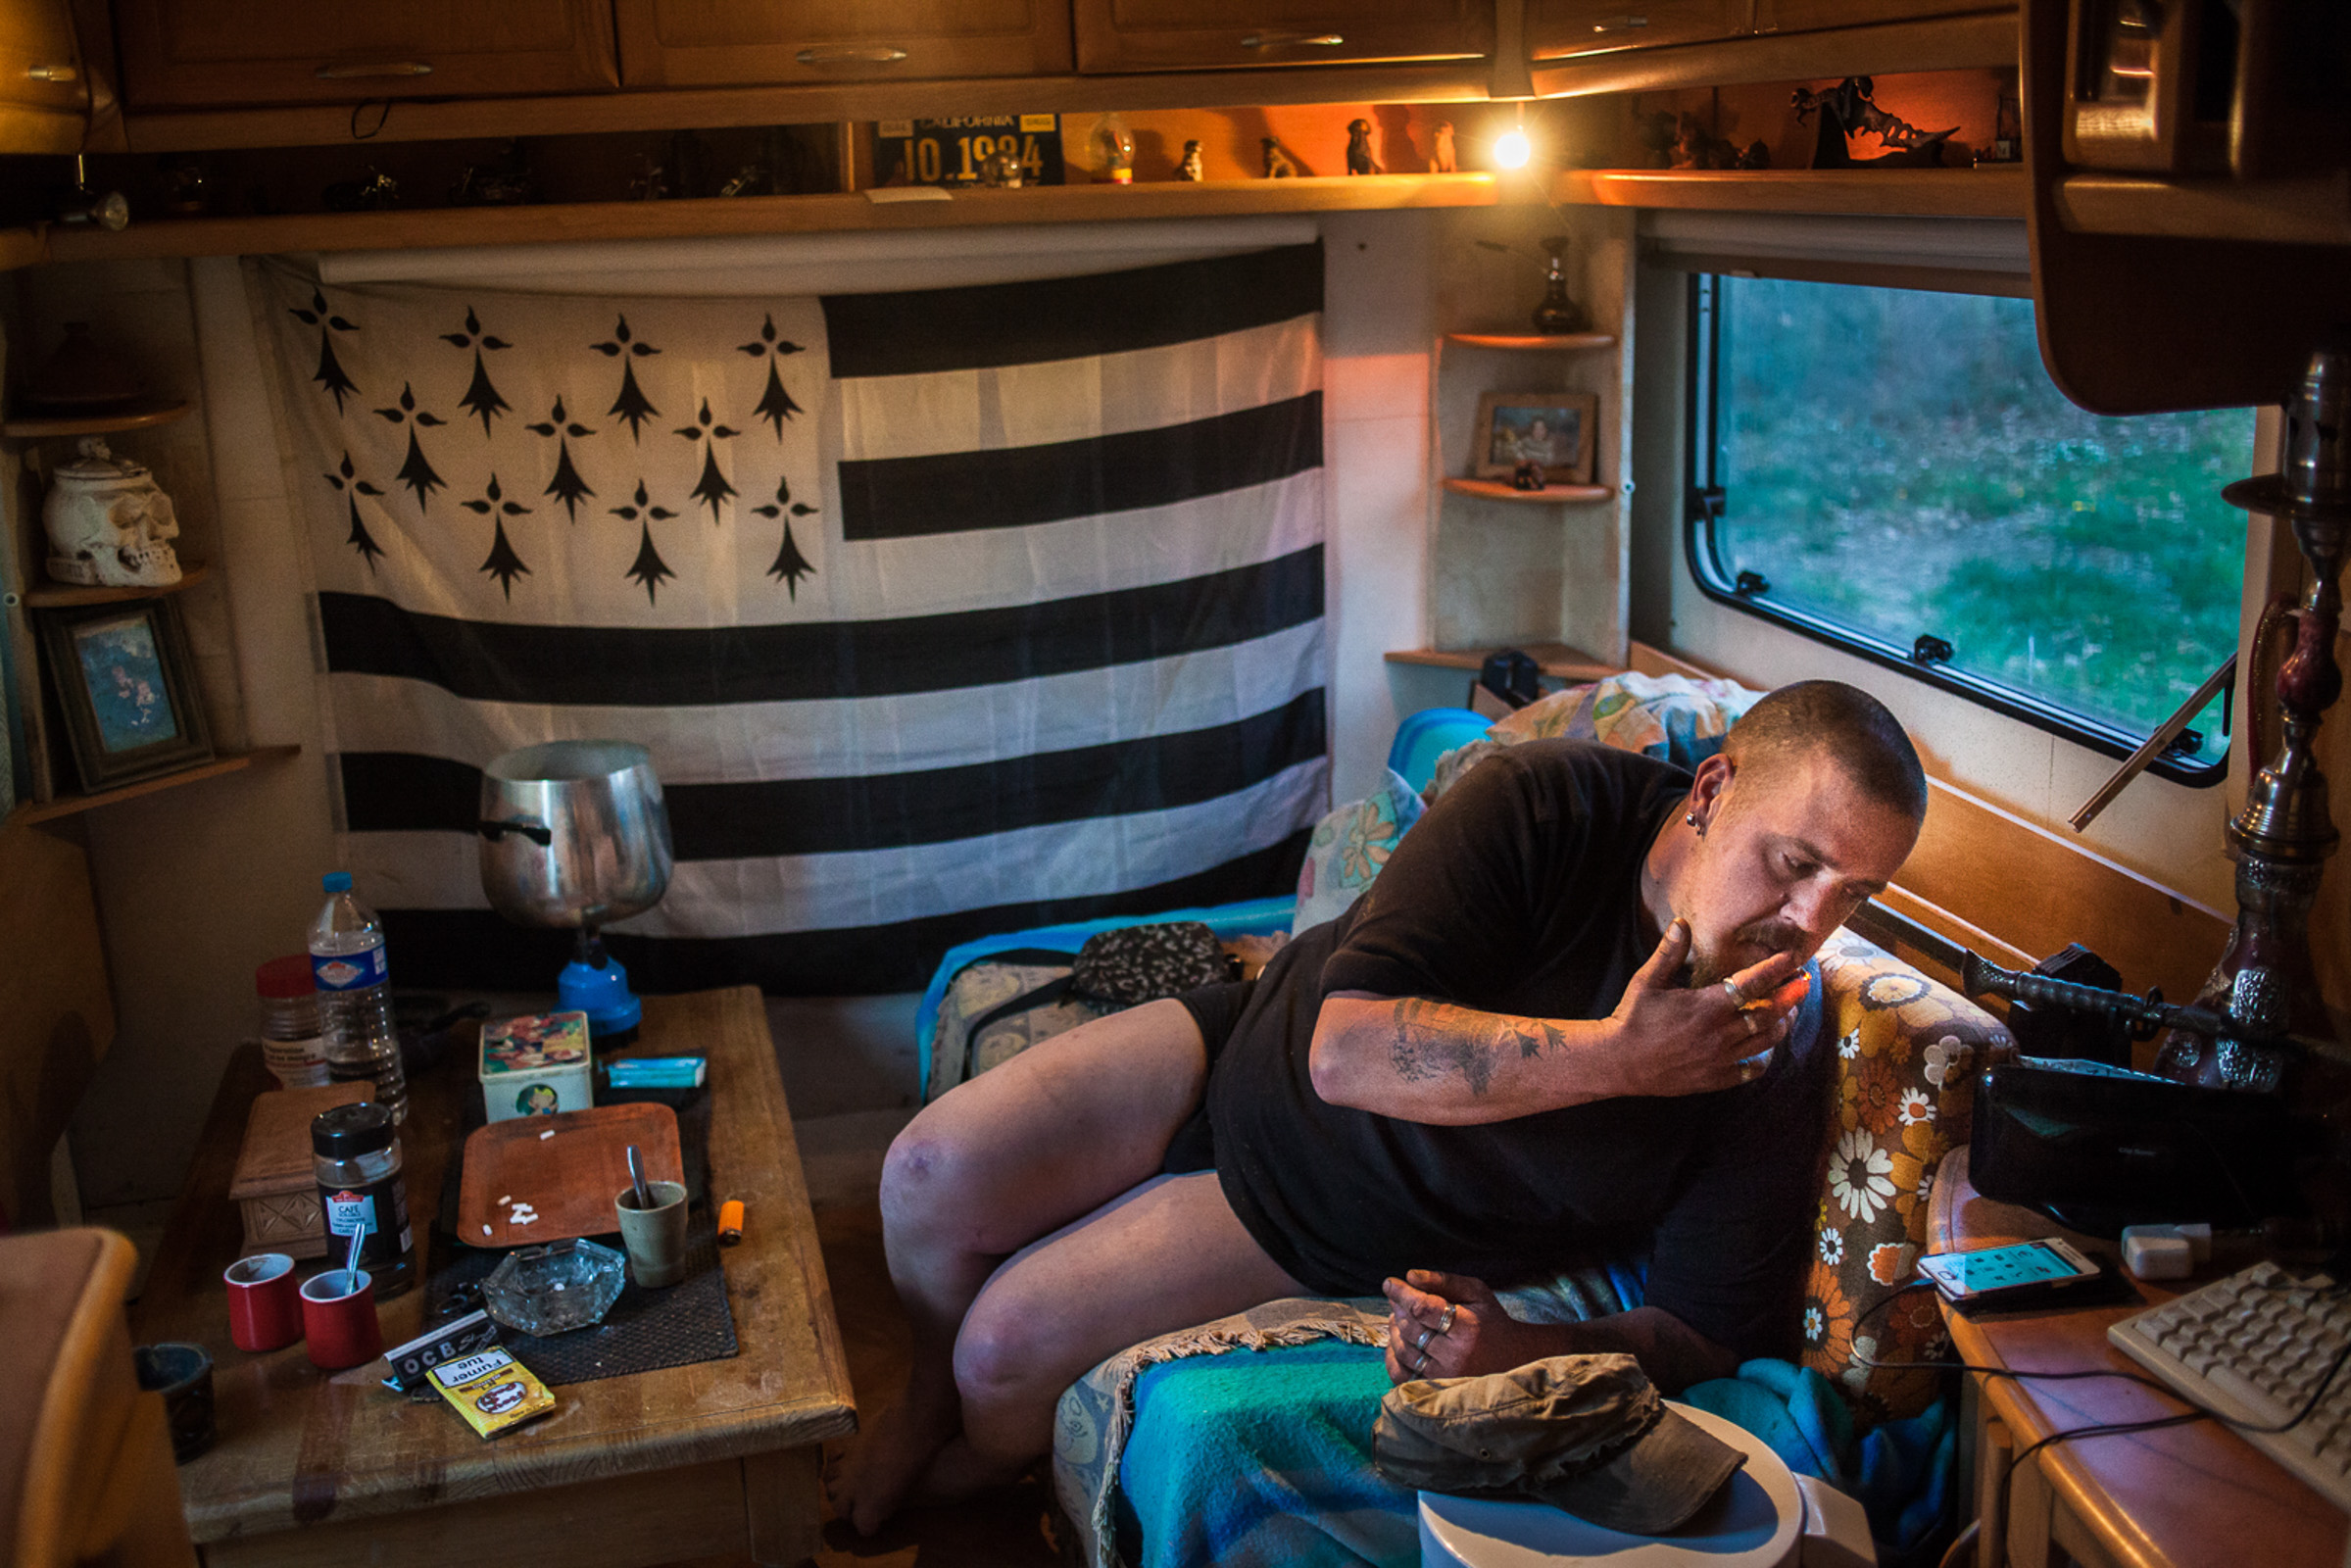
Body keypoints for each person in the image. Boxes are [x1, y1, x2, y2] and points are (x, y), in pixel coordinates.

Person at [827, 680, 1927, 1535]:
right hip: (1250, 1038)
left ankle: (970, 1454)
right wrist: (1615, 1058)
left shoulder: (1769, 1043)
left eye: (1854, 895)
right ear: (1710, 789)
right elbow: (1341, 1049)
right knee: (926, 1170)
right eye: (1793, 864)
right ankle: (922, 1400)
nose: (1807, 922)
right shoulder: (1541, 802)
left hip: (1322, 1208)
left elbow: (1702, 1331)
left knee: (1002, 1346)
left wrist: (1520, 1347)